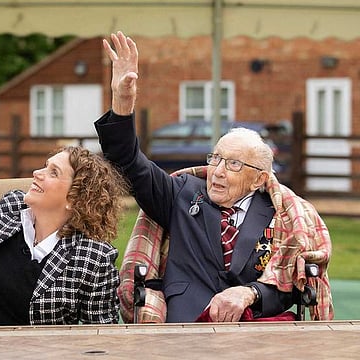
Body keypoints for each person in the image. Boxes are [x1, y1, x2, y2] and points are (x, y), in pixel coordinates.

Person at [95, 31, 333, 323]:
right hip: (185, 329)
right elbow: (127, 162)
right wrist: (122, 102)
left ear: (258, 179)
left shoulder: (280, 214)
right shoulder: (181, 194)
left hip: (257, 335)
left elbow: (293, 289)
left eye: (233, 164)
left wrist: (251, 293)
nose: (218, 171)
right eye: (216, 158)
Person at [0, 145, 129, 326]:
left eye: (53, 172)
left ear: (75, 197)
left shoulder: (93, 258)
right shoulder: (9, 210)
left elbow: (101, 334)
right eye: (44, 166)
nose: (37, 173)